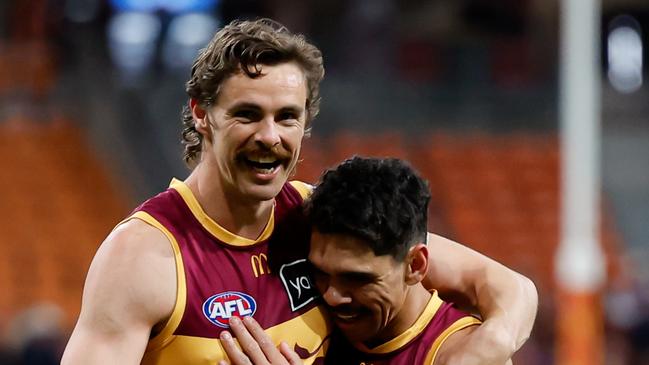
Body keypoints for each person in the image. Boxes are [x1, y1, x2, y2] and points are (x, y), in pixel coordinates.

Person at [61, 18, 537, 365]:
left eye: (287, 116)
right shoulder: (143, 258)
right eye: (247, 114)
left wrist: (490, 348)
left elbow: (508, 287)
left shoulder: (317, 221)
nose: (270, 136)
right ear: (202, 115)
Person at [217, 157, 515, 365]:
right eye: (319, 273)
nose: (333, 296)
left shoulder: (462, 354)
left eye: (357, 279)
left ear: (415, 266)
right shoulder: (337, 324)